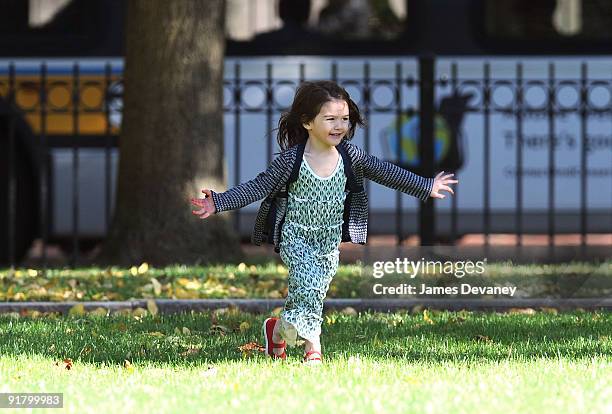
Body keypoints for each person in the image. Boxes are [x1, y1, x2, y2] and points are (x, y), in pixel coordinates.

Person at [191, 81, 458, 365]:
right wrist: (218, 202)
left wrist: (425, 185)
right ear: (307, 122)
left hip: (328, 242)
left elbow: (384, 171)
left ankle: (276, 333)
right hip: (295, 237)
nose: (339, 126)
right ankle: (313, 350)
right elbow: (259, 186)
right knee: (312, 288)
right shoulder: (291, 160)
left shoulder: (349, 156)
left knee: (304, 294)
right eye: (330, 119)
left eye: (344, 119)